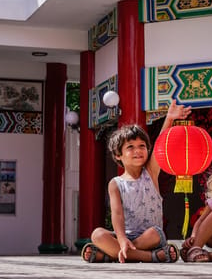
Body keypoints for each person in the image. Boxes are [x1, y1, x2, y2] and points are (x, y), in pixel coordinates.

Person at [82, 99, 191, 263]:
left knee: (154, 233)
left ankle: (111, 255)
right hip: (125, 235)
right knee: (97, 234)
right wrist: (121, 239)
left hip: (150, 237)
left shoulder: (150, 172)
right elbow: (117, 214)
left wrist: (169, 119)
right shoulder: (116, 183)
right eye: (130, 147)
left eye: (142, 146)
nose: (138, 151)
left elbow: (160, 146)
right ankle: (149, 257)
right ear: (118, 155)